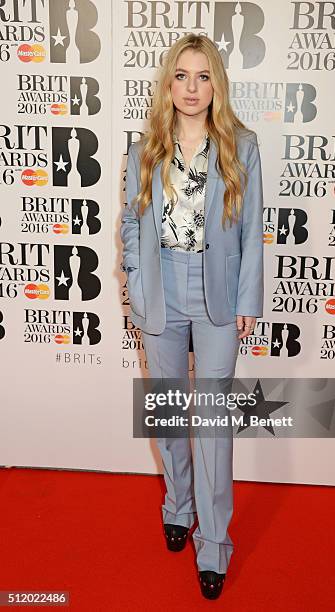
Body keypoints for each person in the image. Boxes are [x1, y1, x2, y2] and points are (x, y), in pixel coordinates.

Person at [120, 33, 264, 600]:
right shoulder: (145, 148)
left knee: (212, 424)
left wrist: (248, 301)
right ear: (168, 82)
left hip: (220, 295)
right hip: (161, 289)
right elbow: (132, 225)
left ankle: (215, 546)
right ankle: (177, 504)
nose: (192, 88)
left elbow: (253, 229)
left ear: (217, 85)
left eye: (203, 77)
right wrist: (135, 281)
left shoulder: (242, 145)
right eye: (182, 76)